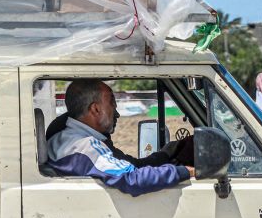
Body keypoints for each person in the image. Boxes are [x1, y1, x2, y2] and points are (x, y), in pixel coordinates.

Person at [47, 79, 193, 195]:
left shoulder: (68, 139)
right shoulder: (84, 146)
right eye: (112, 103)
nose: (117, 113)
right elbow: (132, 178)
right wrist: (188, 171)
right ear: (95, 109)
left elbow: (131, 165)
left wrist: (167, 153)